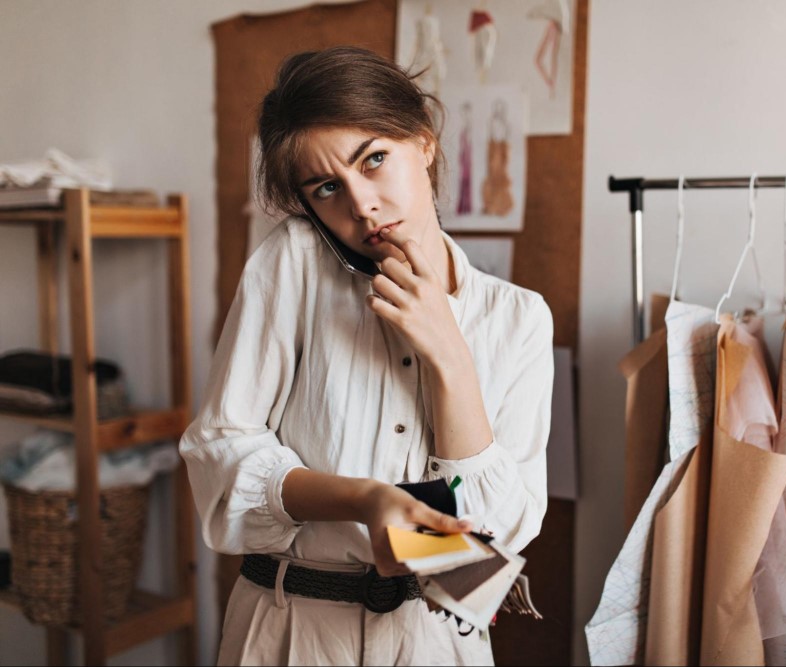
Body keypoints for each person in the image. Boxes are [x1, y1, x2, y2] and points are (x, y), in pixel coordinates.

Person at [179, 46, 554, 666]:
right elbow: (220, 457)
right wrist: (365, 501)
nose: (360, 205)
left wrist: (450, 358)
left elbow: (496, 535)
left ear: (424, 143)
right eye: (327, 188)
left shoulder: (517, 319)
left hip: (435, 640)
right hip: (290, 631)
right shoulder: (293, 264)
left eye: (374, 160)